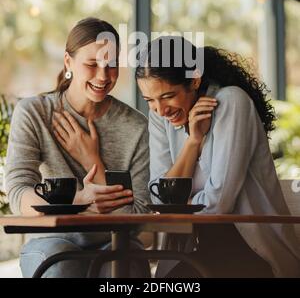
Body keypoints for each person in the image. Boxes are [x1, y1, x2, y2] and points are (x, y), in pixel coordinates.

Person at [135, 35, 300, 278]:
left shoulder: (231, 102)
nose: (160, 109)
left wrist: (182, 205)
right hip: (196, 249)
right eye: (150, 100)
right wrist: (193, 141)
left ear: (194, 80)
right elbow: (161, 199)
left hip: (251, 251)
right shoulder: (161, 119)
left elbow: (219, 203)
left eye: (168, 96)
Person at [4, 17, 151, 278]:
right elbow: (18, 189)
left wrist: (91, 160)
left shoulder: (136, 127)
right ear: (68, 62)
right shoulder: (35, 113)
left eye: (111, 65)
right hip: (50, 241)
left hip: (117, 240)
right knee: (62, 265)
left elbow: (138, 216)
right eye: (92, 64)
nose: (103, 76)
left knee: (125, 267)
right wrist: (75, 202)